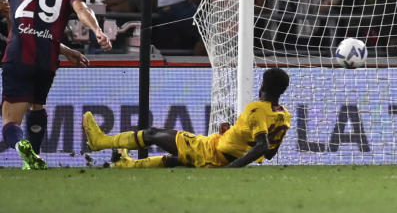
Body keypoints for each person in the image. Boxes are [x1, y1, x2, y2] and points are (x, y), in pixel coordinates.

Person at [1, 0, 111, 169]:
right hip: (46, 62)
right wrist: (97, 31)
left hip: (18, 58)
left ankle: (22, 145)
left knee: (10, 122)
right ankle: (34, 160)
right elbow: (82, 10)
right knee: (37, 107)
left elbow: (23, 29)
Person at [83, 67, 290, 168]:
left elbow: (262, 147)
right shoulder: (283, 115)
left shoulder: (256, 109)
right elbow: (269, 153)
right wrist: (232, 136)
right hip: (217, 149)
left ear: (262, 85)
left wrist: (232, 169)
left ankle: (101, 142)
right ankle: (125, 165)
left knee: (153, 133)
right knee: (175, 159)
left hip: (213, 154)